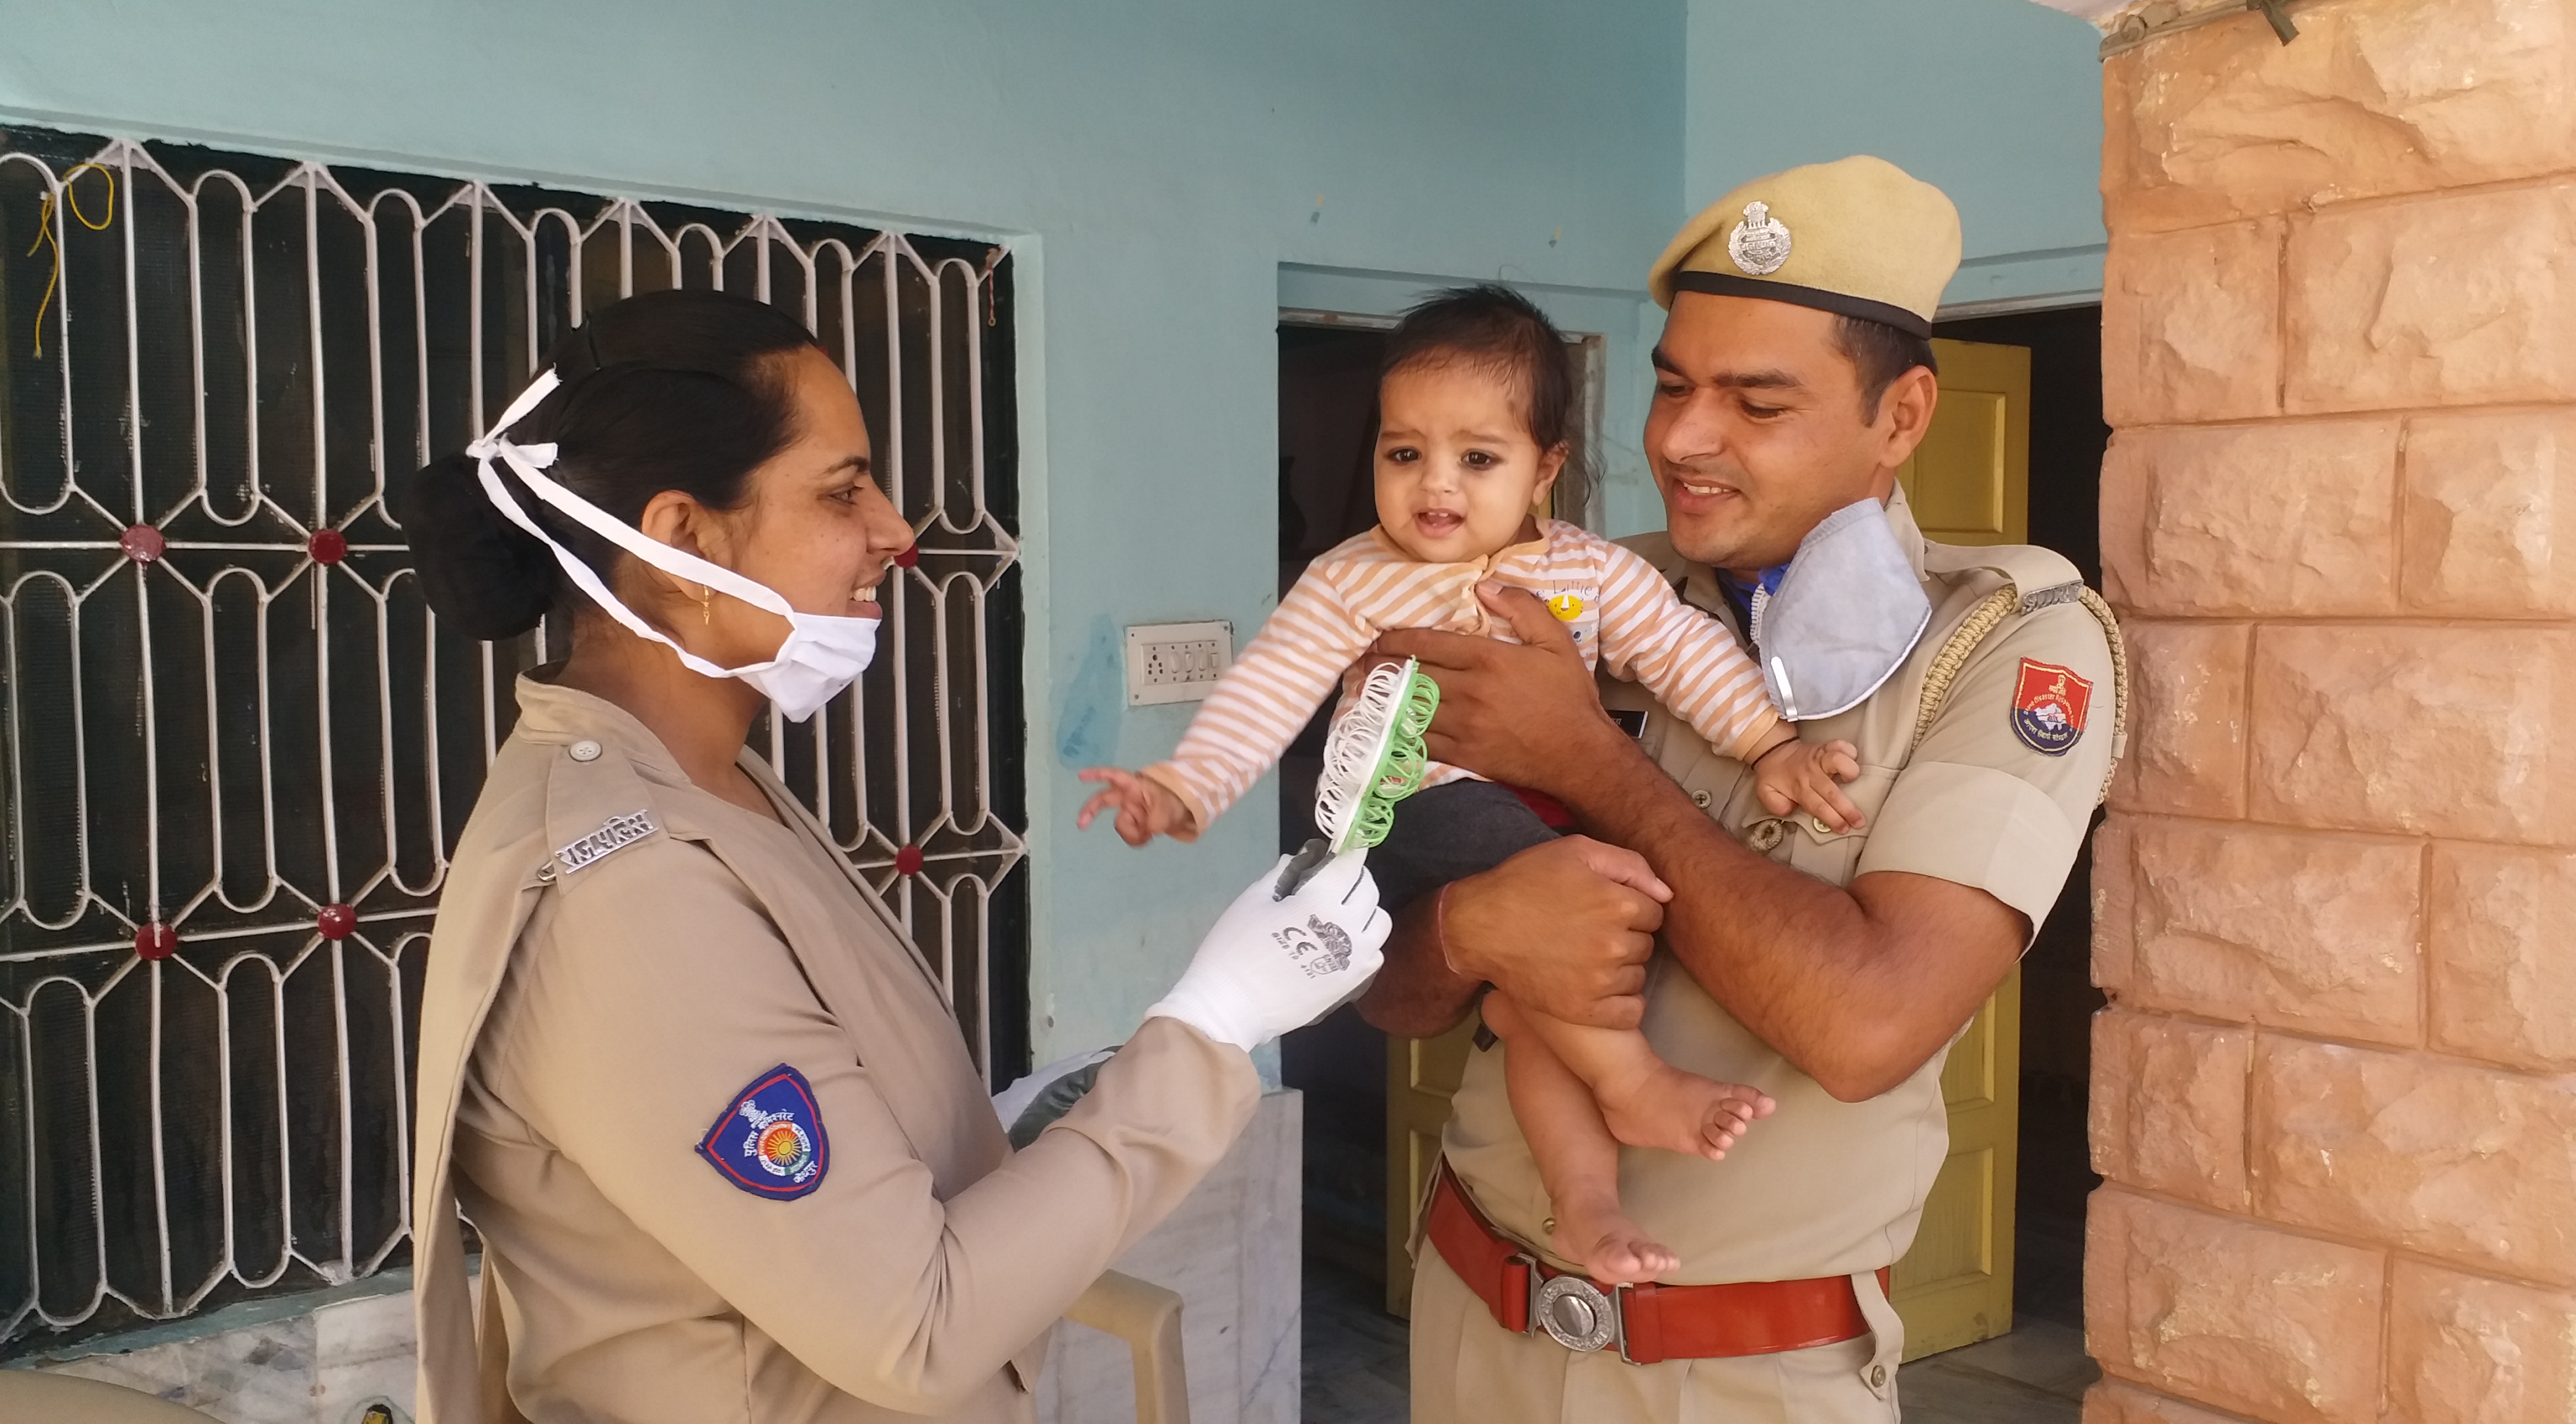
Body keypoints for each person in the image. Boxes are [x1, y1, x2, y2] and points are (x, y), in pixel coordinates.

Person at [398, 289, 1392, 1424]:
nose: (895, 530)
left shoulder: (713, 784)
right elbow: (915, 1327)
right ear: (680, 539)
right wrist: (1211, 1027)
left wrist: (1011, 1121)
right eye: (840, 490)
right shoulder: (624, 894)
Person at [1358, 155, 2125, 1422]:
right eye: (1671, 387)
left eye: (1756, 404)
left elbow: (1868, 1026)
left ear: (1904, 416)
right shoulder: (1576, 593)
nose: (1679, 439)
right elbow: (1376, 975)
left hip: (1736, 1379)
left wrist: (1588, 765)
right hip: (1468, 1323)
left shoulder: (2002, 644)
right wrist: (1465, 928)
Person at [1077, 285, 1865, 1283]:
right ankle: (1635, 1083)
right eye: (1404, 453)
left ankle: (1587, 1210)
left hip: (1539, 818)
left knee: (1540, 993)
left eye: (1478, 458)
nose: (1433, 485)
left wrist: (1768, 747)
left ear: (1547, 470)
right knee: (1580, 911)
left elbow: (1683, 654)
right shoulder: (1349, 579)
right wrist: (1183, 788)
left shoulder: (1591, 573)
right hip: (1421, 810)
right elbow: (1265, 694)